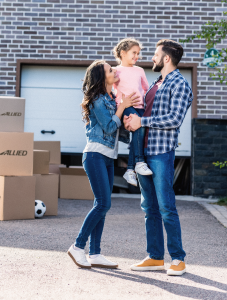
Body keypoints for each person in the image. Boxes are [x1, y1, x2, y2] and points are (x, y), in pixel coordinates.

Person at [124, 39, 193, 276]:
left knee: (166, 206)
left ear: (166, 58)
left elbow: (174, 119)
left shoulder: (180, 84)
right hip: (142, 153)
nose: (151, 58)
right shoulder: (155, 83)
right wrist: (131, 121)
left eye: (155, 54)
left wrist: (142, 121)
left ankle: (177, 259)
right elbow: (142, 113)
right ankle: (155, 257)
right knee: (149, 207)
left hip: (161, 152)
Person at [67, 60, 138, 269]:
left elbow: (119, 132)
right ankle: (78, 247)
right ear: (102, 77)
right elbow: (108, 127)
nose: (114, 71)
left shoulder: (111, 98)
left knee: (102, 206)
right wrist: (122, 107)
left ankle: (95, 253)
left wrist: (128, 118)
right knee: (103, 204)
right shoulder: (98, 99)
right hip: (95, 155)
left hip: (107, 157)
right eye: (110, 70)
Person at [112, 37, 153, 187]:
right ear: (123, 53)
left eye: (138, 54)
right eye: (133, 53)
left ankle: (130, 169)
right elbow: (110, 89)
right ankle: (139, 162)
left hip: (140, 106)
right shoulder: (115, 71)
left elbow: (146, 90)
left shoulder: (140, 70)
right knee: (137, 131)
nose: (137, 56)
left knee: (138, 133)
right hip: (126, 106)